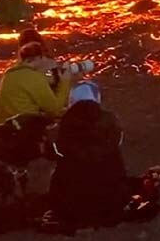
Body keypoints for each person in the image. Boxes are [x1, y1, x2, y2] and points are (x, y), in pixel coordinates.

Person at [46, 82, 135, 231]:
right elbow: (115, 147)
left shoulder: (63, 126)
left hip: (70, 205)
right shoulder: (111, 122)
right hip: (111, 202)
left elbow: (54, 153)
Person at [0, 41, 73, 124]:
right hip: (24, 130)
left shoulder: (9, 75)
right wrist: (65, 81)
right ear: (39, 58)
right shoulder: (34, 77)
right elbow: (54, 110)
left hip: (4, 129)